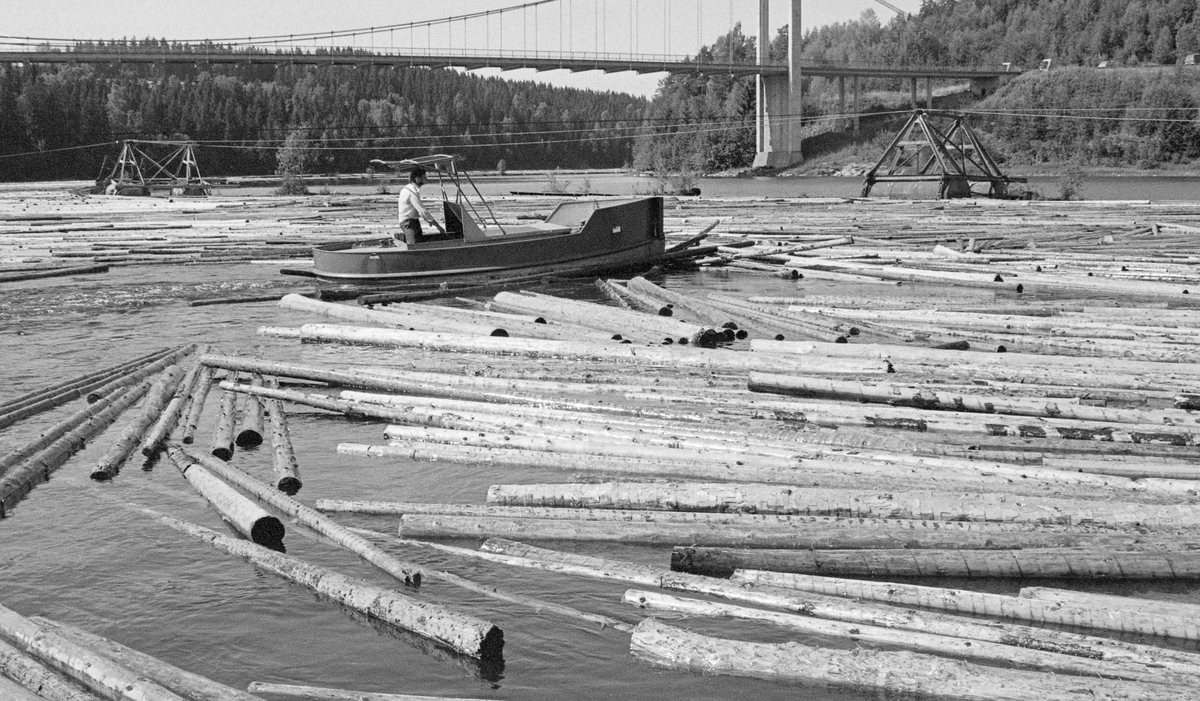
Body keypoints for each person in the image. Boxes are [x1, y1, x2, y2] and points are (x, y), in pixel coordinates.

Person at [396, 166, 445, 245]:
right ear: (417, 179)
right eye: (424, 177)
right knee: (414, 245)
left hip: (413, 221)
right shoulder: (411, 192)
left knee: (419, 242)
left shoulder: (409, 188)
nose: (426, 179)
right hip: (408, 223)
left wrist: (428, 220)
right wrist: (437, 226)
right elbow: (422, 211)